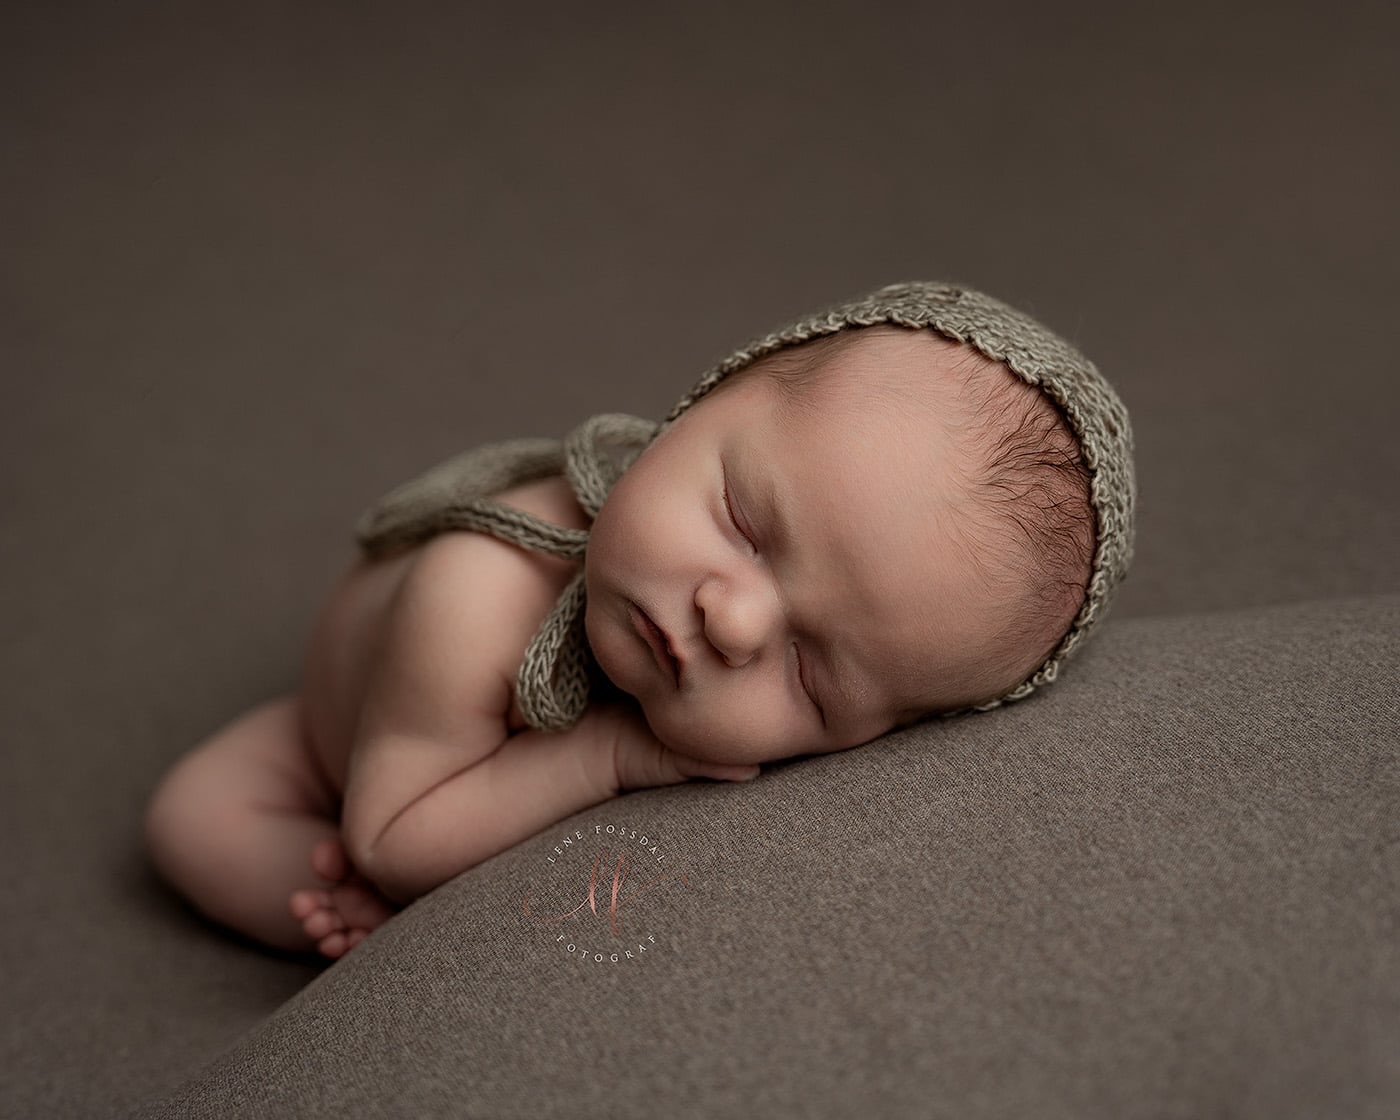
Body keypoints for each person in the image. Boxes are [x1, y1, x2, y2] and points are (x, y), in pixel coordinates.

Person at [142, 281, 1135, 959]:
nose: (735, 623)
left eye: (808, 672)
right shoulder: (476, 588)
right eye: (745, 525)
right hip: (360, 750)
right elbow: (394, 830)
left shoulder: (721, 604)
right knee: (195, 819)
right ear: (689, 409)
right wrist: (600, 760)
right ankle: (339, 927)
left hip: (428, 772)